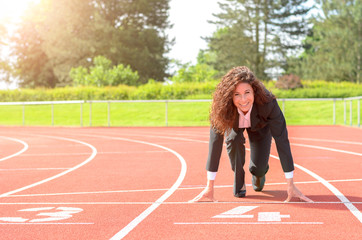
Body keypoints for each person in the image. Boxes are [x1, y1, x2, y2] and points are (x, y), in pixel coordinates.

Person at [190, 66, 312, 203]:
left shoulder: (268, 104)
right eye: (236, 94)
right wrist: (209, 187)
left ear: (254, 91)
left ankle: (259, 175)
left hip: (260, 128)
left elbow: (282, 140)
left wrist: (291, 184)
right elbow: (215, 143)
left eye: (247, 92)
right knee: (234, 140)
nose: (243, 100)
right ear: (229, 96)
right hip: (234, 126)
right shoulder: (222, 108)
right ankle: (239, 180)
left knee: (258, 168)